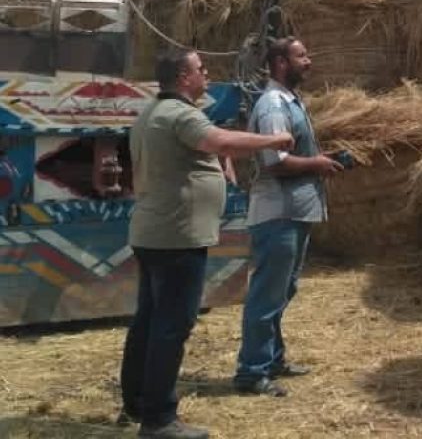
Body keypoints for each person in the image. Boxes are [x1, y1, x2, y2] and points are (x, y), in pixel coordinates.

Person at [119, 49, 295, 439]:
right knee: (171, 325)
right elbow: (222, 142)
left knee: (148, 322)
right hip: (177, 236)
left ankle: (136, 402)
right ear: (183, 76)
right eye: (202, 69)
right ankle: (160, 419)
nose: (208, 74)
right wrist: (276, 137)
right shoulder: (180, 114)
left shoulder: (151, 112)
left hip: (154, 233)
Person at [233, 36, 344, 396]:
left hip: (294, 212)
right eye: (302, 55)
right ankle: (251, 373)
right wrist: (317, 164)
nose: (308, 61)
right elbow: (274, 163)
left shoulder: (291, 102)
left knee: (283, 290)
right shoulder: (273, 105)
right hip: (277, 213)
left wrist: (321, 158)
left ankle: (273, 359)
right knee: (267, 294)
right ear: (281, 63)